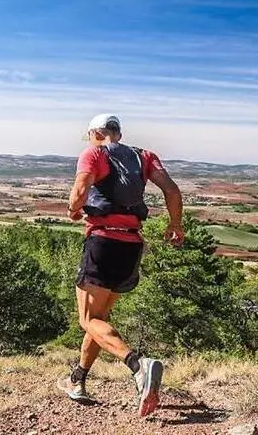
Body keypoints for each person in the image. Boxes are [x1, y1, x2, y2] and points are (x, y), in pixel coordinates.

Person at [57, 114, 184, 418]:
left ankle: (138, 365)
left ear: (95, 133)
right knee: (99, 319)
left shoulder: (95, 153)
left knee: (88, 319)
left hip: (103, 242)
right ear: (119, 133)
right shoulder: (144, 156)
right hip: (131, 245)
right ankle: (77, 379)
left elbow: (80, 190)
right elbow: (172, 191)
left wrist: (73, 209)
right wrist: (175, 224)